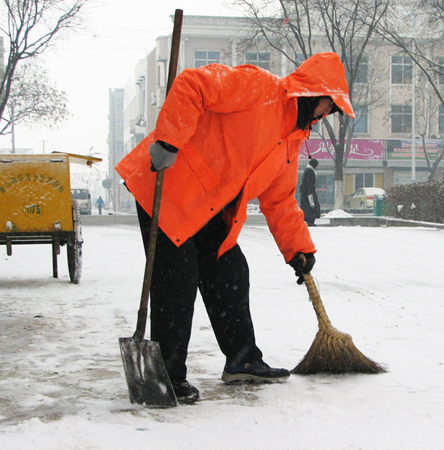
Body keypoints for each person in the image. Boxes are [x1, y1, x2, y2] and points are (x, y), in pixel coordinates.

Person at [116, 52, 355, 403]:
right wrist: (169, 139)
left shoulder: (291, 140)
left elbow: (280, 201)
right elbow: (193, 84)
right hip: (168, 187)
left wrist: (298, 248)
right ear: (314, 92)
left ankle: (243, 359)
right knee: (177, 280)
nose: (326, 115)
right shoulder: (259, 88)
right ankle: (167, 373)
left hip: (209, 208)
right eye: (329, 106)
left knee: (230, 270)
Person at [300, 158, 320, 226]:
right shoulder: (310, 172)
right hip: (309, 193)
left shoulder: (307, 171)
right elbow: (310, 184)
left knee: (306, 207)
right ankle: (310, 221)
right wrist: (310, 194)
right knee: (311, 207)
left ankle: (308, 220)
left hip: (305, 193)